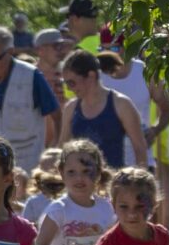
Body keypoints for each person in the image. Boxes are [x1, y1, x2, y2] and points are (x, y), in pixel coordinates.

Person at [0, 25, 60, 166]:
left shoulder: (31, 76)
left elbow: (57, 116)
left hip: (28, 163)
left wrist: (53, 150)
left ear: (10, 52)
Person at [58, 48, 151, 180]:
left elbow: (140, 148)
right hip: (79, 187)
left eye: (72, 83)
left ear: (91, 76)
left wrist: (140, 182)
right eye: (66, 83)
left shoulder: (121, 104)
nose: (68, 89)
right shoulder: (71, 108)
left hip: (111, 186)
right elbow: (62, 149)